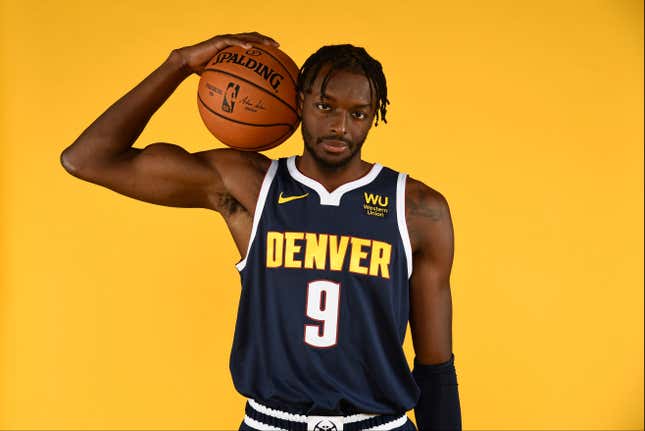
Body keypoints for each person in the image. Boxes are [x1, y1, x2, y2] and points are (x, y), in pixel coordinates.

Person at [60, 32, 462, 431]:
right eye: (325, 106)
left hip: (379, 426)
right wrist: (178, 64)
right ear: (298, 101)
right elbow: (87, 159)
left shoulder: (417, 210)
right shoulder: (249, 186)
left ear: (375, 115)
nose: (340, 126)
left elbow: (435, 365)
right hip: (272, 423)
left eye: (358, 113)